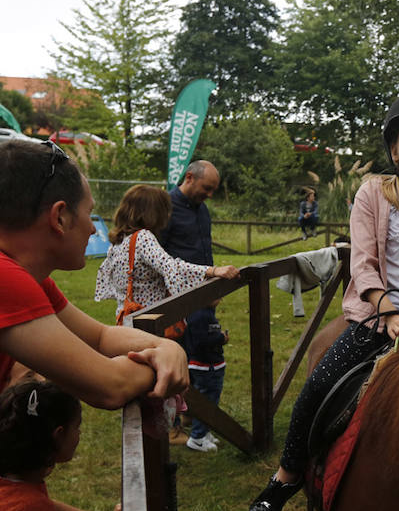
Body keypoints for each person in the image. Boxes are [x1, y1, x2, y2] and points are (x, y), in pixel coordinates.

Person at [246, 90, 399, 511]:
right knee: (316, 388)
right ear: (394, 148)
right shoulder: (371, 195)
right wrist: (390, 314)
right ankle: (286, 476)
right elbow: (365, 264)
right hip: (377, 319)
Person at [0, 140, 188, 408]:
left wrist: (167, 348)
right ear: (60, 217)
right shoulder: (7, 280)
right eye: (89, 212)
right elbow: (111, 386)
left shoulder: (32, 280)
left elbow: (100, 336)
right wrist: (163, 366)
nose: (92, 228)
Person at [0, 380, 122, 511]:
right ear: (58, 435)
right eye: (77, 427)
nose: (79, 434)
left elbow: (45, 508)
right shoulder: (28, 506)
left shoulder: (14, 484)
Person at [158, 160, 234, 445]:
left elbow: (205, 250)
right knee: (173, 358)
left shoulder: (202, 211)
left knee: (198, 355)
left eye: (213, 190)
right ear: (189, 177)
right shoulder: (166, 208)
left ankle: (190, 412)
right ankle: (171, 426)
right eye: (207, 188)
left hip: (202, 296)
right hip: (175, 299)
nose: (210, 195)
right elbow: (159, 256)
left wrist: (213, 288)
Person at [94, 184, 240, 320]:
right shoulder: (143, 238)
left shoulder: (118, 243)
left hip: (126, 319)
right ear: (154, 212)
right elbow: (171, 267)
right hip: (149, 322)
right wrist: (212, 271)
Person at [182, 303, 228, 452]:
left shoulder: (205, 312)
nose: (220, 298)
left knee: (211, 399)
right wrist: (221, 338)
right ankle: (197, 437)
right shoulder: (201, 315)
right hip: (206, 365)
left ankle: (204, 431)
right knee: (207, 399)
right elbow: (201, 342)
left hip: (209, 363)